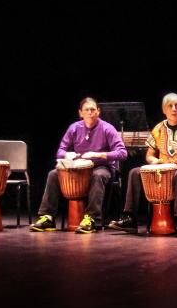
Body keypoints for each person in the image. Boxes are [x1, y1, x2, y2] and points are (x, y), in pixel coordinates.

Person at [109, 93, 177, 238]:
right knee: (135, 172)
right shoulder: (159, 128)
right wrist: (157, 162)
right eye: (170, 106)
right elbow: (149, 156)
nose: (174, 108)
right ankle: (129, 218)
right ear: (164, 109)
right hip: (162, 171)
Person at [31, 97, 127, 233]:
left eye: (93, 109)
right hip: (79, 168)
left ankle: (91, 218)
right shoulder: (74, 128)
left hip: (101, 167)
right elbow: (60, 151)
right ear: (80, 113)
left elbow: (122, 153)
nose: (90, 112)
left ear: (98, 112)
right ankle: (48, 217)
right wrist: (67, 155)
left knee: (97, 175)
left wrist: (99, 155)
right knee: (54, 174)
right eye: (86, 110)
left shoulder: (107, 128)